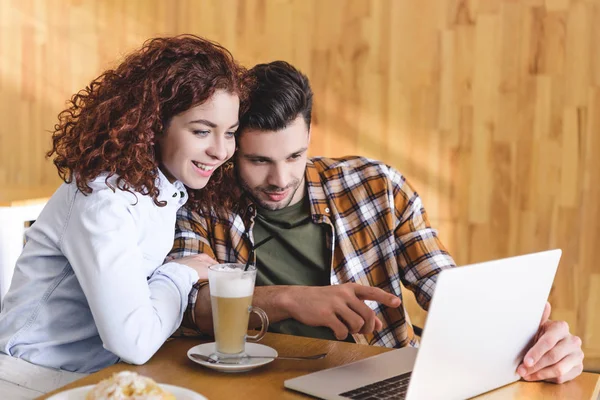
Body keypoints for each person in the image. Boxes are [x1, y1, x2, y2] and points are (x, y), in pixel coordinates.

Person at [170, 61, 584, 384]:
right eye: (259, 160)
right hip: (255, 385)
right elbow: (190, 307)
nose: (279, 179)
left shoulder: (376, 186)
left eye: (294, 156)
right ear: (230, 145)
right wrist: (291, 299)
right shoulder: (201, 206)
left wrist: (530, 339)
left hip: (377, 374)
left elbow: (442, 285)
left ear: (310, 135)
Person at [0, 35, 248, 375]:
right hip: (32, 376)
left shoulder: (161, 189)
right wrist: (183, 271)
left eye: (230, 132)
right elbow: (134, 341)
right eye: (202, 131)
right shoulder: (105, 200)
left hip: (97, 373)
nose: (221, 151)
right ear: (155, 124)